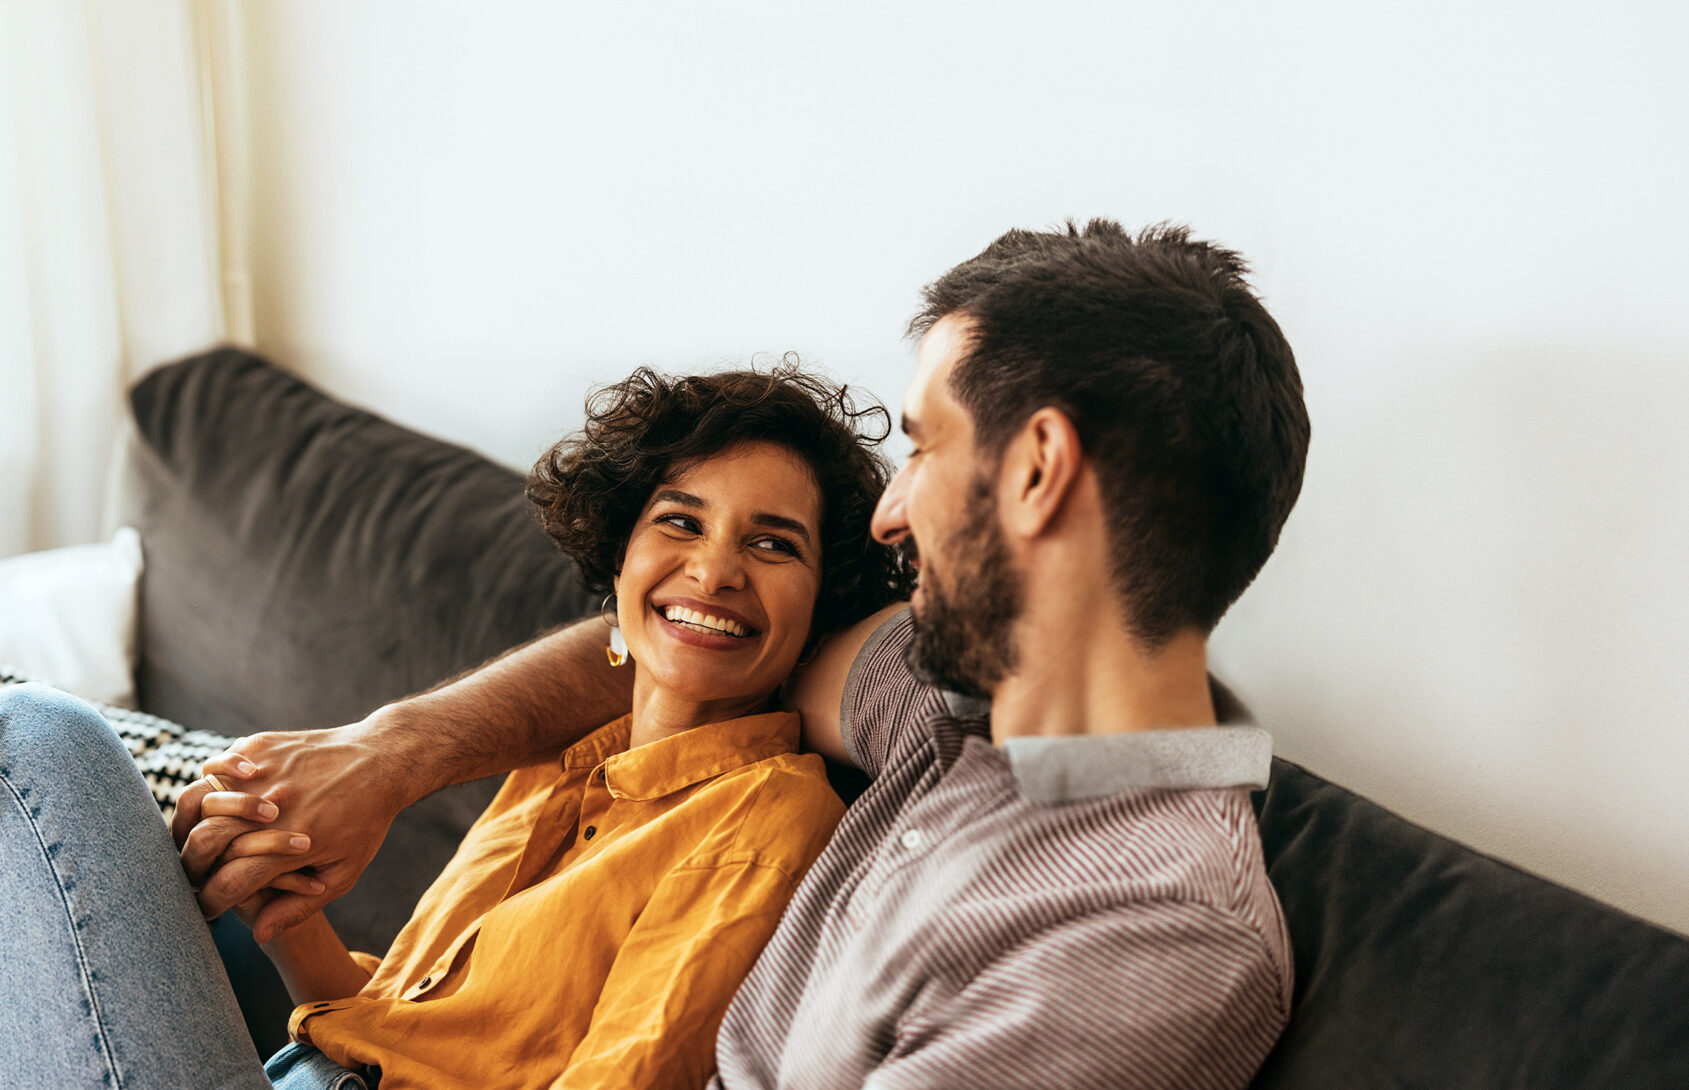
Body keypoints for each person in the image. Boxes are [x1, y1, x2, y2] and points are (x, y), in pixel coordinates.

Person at [185, 219, 1312, 1088]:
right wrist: (394, 752)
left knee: (37, 749)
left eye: (921, 446)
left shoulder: (1152, 931)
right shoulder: (941, 708)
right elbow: (692, 644)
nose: (888, 514)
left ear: (1036, 470)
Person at [0, 364, 909, 1089]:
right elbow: (396, 1025)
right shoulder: (559, 766)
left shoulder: (770, 824)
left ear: (822, 602)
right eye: (680, 521)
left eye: (772, 542)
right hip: (298, 1065)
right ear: (621, 557)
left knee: (42, 743)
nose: (713, 571)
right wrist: (286, 911)